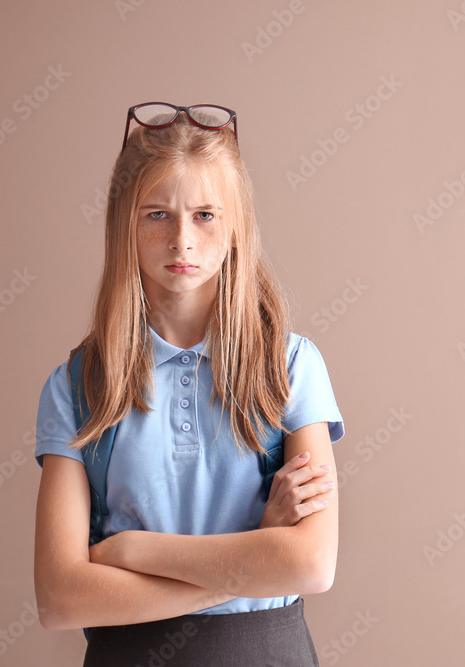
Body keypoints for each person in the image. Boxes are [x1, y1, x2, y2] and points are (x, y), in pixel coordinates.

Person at [32, 103, 344, 666]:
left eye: (205, 215)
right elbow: (60, 598)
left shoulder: (291, 366)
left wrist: (133, 550)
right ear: (124, 223)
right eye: (157, 214)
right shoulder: (78, 387)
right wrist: (253, 557)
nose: (182, 239)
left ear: (235, 228)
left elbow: (311, 565)